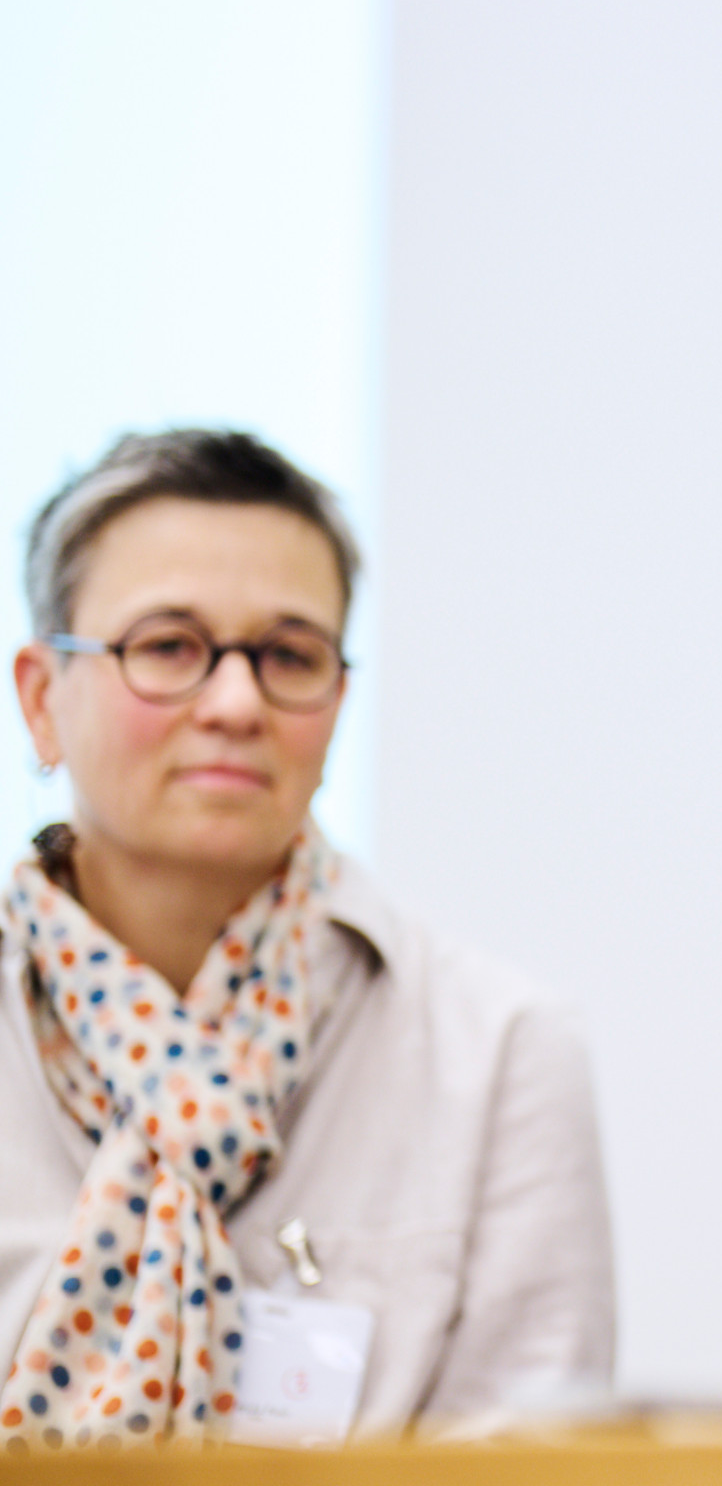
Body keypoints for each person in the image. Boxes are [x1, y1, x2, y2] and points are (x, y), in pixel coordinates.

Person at [4, 430, 614, 1449]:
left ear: (337, 699)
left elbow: (528, 1465)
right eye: (168, 645)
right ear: (40, 698)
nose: (237, 703)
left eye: (289, 656)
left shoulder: (501, 1053)